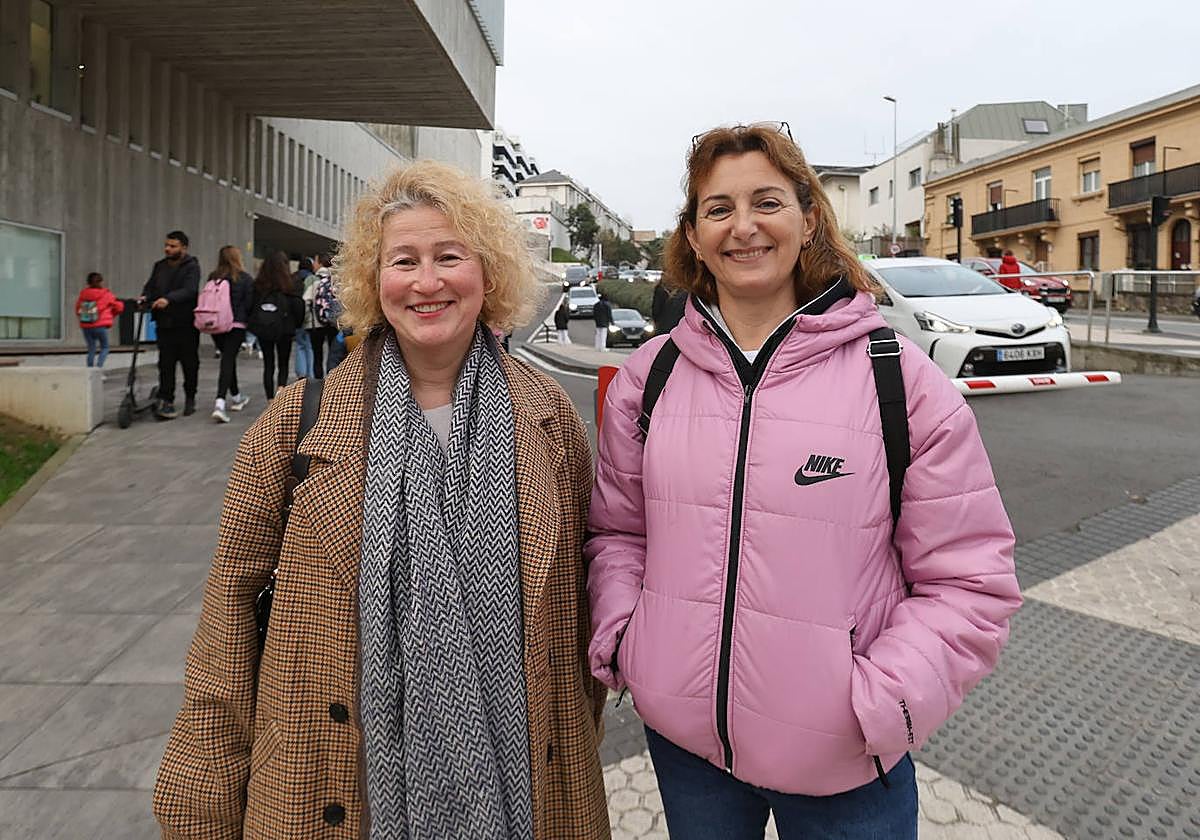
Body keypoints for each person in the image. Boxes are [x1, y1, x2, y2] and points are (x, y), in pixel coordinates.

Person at [585, 123, 1022, 840]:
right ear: (693, 236)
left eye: (767, 201)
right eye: (718, 209)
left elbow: (971, 581)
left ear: (808, 217)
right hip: (689, 752)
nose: (744, 226)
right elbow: (617, 533)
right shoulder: (650, 378)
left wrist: (878, 705)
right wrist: (632, 639)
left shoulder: (899, 380)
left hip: (845, 767)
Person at [154, 160, 609, 839]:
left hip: (532, 788)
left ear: (487, 274)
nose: (427, 282)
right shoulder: (296, 422)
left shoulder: (547, 417)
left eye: (449, 256)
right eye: (404, 261)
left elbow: (576, 611)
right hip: (328, 786)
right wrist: (203, 801)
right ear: (375, 281)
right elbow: (227, 615)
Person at [140, 230, 201, 418]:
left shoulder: (192, 267)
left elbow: (190, 290)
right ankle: (167, 399)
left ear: (183, 247)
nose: (168, 249)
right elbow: (150, 287)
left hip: (185, 323)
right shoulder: (159, 266)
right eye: (166, 245)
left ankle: (190, 397)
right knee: (165, 363)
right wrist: (145, 297)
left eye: (173, 246)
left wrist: (168, 299)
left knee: (189, 363)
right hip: (164, 322)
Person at [205, 245, 253, 423]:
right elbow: (249, 304)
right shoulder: (245, 278)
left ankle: (237, 396)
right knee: (228, 360)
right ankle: (219, 403)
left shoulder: (213, 277)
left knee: (227, 358)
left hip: (215, 325)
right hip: (236, 324)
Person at [248, 251, 304, 400]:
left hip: (264, 328)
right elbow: (298, 307)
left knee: (268, 364)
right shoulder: (290, 284)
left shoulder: (258, 284)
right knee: (283, 363)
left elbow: (251, 307)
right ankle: (280, 392)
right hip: (285, 329)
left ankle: (269, 399)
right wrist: (296, 325)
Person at [75, 272, 124, 368]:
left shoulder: (83, 294)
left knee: (91, 348)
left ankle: (89, 370)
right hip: (100, 325)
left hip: (86, 326)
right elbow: (119, 307)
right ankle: (99, 368)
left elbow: (78, 309)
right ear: (101, 282)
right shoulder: (106, 294)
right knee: (105, 347)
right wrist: (112, 313)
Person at [308, 253, 340, 377]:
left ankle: (318, 384)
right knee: (334, 355)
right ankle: (333, 380)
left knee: (317, 355)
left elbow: (308, 301)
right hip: (334, 322)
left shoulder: (313, 279)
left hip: (317, 322)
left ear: (320, 263)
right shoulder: (337, 279)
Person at [292, 257, 316, 380]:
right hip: (308, 318)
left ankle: (301, 374)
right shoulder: (312, 278)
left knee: (300, 345)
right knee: (308, 346)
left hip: (295, 317)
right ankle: (310, 374)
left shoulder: (293, 277)